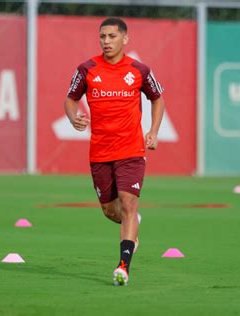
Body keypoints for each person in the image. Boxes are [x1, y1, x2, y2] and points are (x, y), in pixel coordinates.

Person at [64, 17, 165, 286]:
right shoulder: (86, 69)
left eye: (111, 36)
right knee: (111, 211)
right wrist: (73, 117)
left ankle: (123, 266)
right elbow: (71, 98)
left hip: (131, 149)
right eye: (102, 37)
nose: (106, 41)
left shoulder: (139, 70)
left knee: (129, 202)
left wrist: (153, 131)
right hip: (100, 151)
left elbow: (157, 98)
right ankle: (131, 226)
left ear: (125, 39)